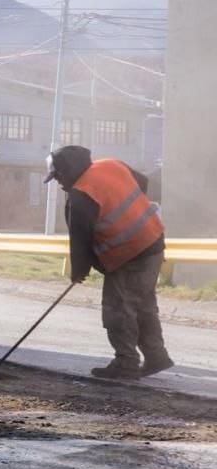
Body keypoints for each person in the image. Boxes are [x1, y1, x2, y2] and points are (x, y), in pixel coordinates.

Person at [45, 145, 172, 380]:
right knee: (142, 303)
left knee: (118, 309)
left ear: (68, 170)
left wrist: (79, 271)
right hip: (153, 241)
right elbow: (142, 182)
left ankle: (126, 363)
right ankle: (156, 356)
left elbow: (80, 239)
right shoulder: (111, 164)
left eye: (58, 176)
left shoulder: (81, 194)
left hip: (129, 253)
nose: (59, 183)